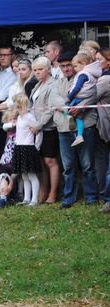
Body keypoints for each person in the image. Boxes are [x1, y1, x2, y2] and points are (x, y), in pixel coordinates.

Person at [52, 52, 99, 209]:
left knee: (87, 165)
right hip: (64, 128)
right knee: (68, 166)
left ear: (74, 64)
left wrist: (80, 107)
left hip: (85, 125)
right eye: (62, 66)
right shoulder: (57, 81)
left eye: (68, 65)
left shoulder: (85, 77)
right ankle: (69, 197)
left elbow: (93, 95)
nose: (66, 69)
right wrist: (69, 108)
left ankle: (91, 197)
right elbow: (55, 100)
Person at [29, 56, 60, 204]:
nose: (36, 72)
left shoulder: (53, 84)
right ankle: (43, 191)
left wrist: (39, 125)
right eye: (34, 70)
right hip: (36, 129)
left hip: (48, 128)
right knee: (40, 161)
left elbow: (51, 108)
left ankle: (53, 193)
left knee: (50, 160)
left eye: (40, 69)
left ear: (47, 69)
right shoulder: (38, 85)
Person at [6, 94, 40, 206]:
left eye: (18, 106)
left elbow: (38, 131)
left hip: (28, 147)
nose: (17, 109)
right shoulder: (19, 118)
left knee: (31, 175)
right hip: (19, 147)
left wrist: (37, 145)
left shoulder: (29, 117)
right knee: (24, 175)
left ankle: (34, 199)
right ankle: (26, 198)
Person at [66, 52, 100, 147]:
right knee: (79, 117)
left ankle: (69, 117)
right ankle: (79, 136)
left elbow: (77, 88)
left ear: (84, 64)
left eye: (75, 66)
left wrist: (69, 97)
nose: (74, 69)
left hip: (79, 98)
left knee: (66, 108)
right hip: (84, 97)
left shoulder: (83, 74)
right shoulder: (91, 74)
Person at [96, 48, 110, 212]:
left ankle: (108, 200)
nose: (96, 63)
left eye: (99, 59)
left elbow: (92, 95)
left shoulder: (105, 80)